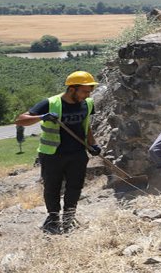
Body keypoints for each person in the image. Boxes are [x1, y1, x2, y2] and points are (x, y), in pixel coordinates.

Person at [14, 70, 103, 234]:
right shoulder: (50, 103)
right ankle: (53, 219)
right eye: (84, 91)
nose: (87, 95)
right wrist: (42, 117)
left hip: (77, 153)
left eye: (89, 92)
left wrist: (93, 145)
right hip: (52, 154)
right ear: (72, 89)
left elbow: (86, 126)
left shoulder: (88, 104)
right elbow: (20, 120)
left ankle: (69, 217)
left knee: (75, 187)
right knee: (52, 188)